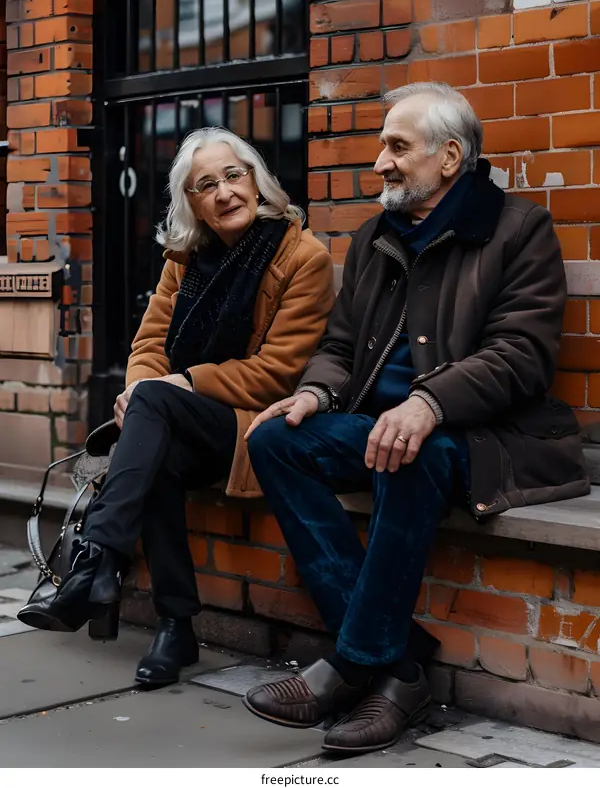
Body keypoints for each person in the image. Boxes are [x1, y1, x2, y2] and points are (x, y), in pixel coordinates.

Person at [241, 82, 590, 754]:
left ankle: (352, 664)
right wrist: (315, 394)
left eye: (396, 147)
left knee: (407, 447)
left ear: (450, 157)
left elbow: (521, 356)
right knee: (277, 441)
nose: (379, 162)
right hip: (385, 424)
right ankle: (398, 667)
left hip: (491, 438)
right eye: (380, 147)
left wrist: (429, 403)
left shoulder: (519, 230)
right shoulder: (376, 236)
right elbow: (341, 347)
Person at [18, 127, 335, 687]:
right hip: (177, 419)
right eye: (204, 185)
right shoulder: (184, 258)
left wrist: (179, 383)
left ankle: (94, 565)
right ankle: (175, 624)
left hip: (248, 426)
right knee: (156, 449)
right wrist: (143, 388)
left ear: (258, 181)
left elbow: (277, 374)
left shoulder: (302, 258)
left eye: (234, 176)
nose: (224, 193)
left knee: (157, 405)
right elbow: (147, 347)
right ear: (191, 202)